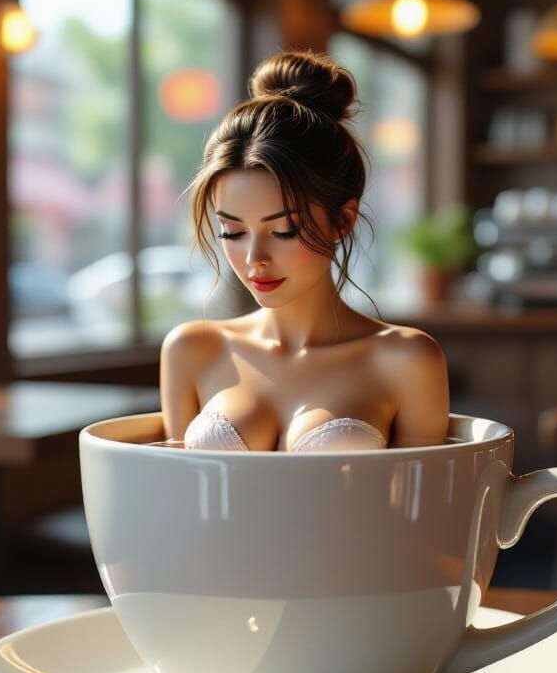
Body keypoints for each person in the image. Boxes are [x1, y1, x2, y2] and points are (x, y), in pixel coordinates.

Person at [160, 49, 449, 452]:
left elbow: (427, 507)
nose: (254, 258)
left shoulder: (406, 359)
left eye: (283, 230)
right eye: (232, 232)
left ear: (344, 220)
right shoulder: (192, 350)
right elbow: (174, 495)